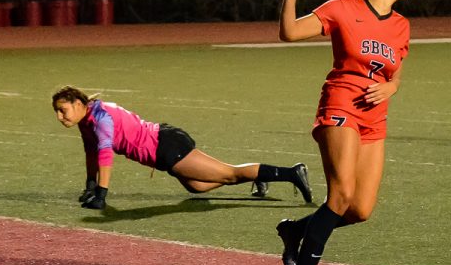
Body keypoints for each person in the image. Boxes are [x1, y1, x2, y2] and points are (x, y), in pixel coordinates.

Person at [276, 0, 411, 265]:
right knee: (340, 195)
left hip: (375, 119)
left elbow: (395, 72)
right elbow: (288, 33)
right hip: (341, 105)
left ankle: (296, 231)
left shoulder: (401, 25)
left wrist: (392, 89)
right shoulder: (342, 8)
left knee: (360, 209)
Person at [51, 86, 313, 209]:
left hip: (168, 147)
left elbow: (105, 156)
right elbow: (91, 153)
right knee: (196, 186)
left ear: (77, 103)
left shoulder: (101, 120)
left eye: (62, 111)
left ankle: (292, 173)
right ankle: (255, 179)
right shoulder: (87, 120)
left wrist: (102, 194)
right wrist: (89, 184)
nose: (60, 117)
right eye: (57, 112)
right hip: (164, 148)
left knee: (229, 173)